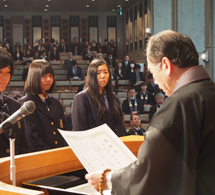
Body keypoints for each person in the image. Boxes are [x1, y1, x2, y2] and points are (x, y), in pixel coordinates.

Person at [85, 30, 215, 194]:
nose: (158, 84)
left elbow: (150, 171)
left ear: (166, 65)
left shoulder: (177, 105)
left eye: (153, 73)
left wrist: (109, 179)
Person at [19, 60, 67, 152]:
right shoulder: (25, 104)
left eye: (50, 76)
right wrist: (52, 155)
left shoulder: (55, 102)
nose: (48, 79)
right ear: (34, 77)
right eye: (44, 76)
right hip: (41, 158)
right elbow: (32, 139)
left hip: (61, 155)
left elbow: (64, 130)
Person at [72, 59, 126, 137]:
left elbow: (119, 127)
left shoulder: (114, 98)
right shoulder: (82, 98)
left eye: (105, 72)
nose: (103, 76)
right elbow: (80, 131)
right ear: (91, 75)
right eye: (98, 73)